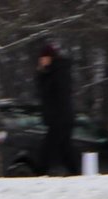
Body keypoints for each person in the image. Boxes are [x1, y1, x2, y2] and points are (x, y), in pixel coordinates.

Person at [36, 41, 77, 176]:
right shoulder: (50, 72)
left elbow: (60, 94)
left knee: (51, 147)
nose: (41, 60)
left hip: (60, 117)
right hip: (58, 117)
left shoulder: (59, 72)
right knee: (64, 147)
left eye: (44, 57)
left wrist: (58, 116)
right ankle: (73, 172)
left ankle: (46, 171)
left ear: (50, 57)